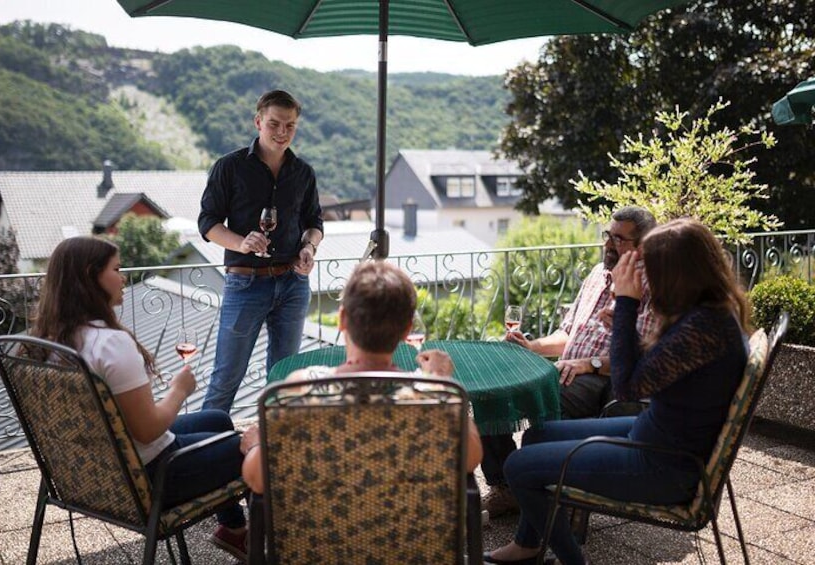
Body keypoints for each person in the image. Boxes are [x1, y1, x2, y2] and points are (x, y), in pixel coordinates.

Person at [484, 218, 751, 565]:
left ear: (676, 273)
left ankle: (571, 560)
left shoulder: (703, 328)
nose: (644, 276)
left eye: (649, 268)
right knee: (536, 436)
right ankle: (528, 545)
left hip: (664, 464)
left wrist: (626, 304)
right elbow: (652, 366)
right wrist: (626, 313)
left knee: (519, 466)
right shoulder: (706, 316)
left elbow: (626, 386)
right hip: (655, 434)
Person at [29, 237, 249, 562]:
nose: (124, 277)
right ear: (92, 276)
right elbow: (148, 431)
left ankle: (233, 531)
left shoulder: (43, 344)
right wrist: (179, 390)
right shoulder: (110, 345)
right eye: (116, 269)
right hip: (152, 476)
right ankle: (267, 542)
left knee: (216, 420)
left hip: (94, 472)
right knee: (251, 446)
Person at [240, 261, 484, 494]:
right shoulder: (431, 397)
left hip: (322, 537)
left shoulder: (301, 389)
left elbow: (257, 479)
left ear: (342, 319)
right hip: (407, 536)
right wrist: (441, 381)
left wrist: (255, 446)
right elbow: (471, 458)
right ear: (408, 329)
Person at [481, 206, 657, 518]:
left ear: (641, 246)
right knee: (491, 390)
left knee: (542, 403)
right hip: (568, 368)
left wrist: (589, 363)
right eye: (607, 236)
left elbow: (642, 352)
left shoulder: (652, 287)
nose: (607, 244)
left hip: (602, 378)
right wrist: (532, 346)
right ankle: (505, 486)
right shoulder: (596, 274)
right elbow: (568, 332)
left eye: (618, 239)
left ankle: (543, 483)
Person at [198, 89, 324, 414]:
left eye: (290, 126)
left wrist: (309, 247)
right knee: (226, 379)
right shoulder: (229, 167)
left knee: (284, 382)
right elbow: (208, 222)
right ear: (258, 122)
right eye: (274, 124)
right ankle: (202, 455)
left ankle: (274, 452)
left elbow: (314, 223)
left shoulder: (304, 173)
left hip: (294, 285)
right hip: (245, 284)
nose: (282, 132)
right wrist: (240, 243)